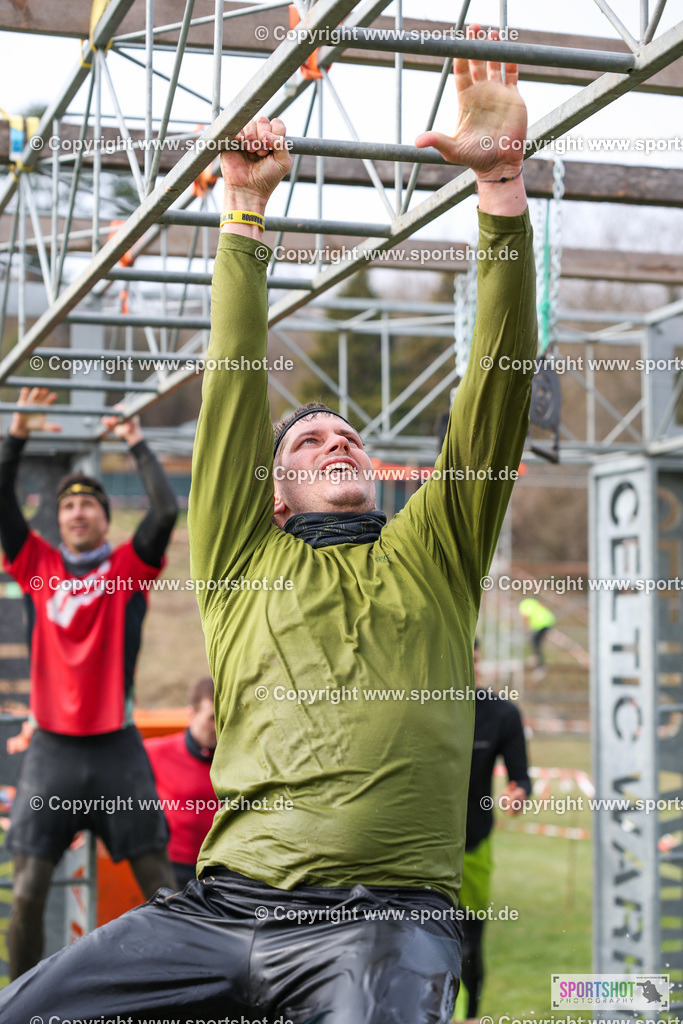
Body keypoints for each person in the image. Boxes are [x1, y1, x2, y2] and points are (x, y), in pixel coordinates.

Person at [0, 32, 537, 1022]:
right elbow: (231, 393)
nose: (338, 439)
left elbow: (493, 399)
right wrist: (243, 214)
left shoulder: (433, 551)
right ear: (273, 489)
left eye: (351, 436)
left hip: (378, 919)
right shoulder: (241, 556)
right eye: (311, 438)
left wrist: (499, 191)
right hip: (219, 911)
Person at [0, 389, 178, 978]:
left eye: (89, 504)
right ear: (59, 518)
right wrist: (18, 432)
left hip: (116, 749)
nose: (78, 511)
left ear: (104, 516)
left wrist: (134, 439)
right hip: (51, 750)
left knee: (164, 890)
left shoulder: (127, 568)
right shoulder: (36, 564)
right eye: (68, 505)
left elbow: (165, 511)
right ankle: (19, 1002)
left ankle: (181, 997)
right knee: (25, 893)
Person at [455, 641, 531, 1019]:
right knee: (416, 943)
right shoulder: (415, 707)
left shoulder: (501, 713)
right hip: (415, 851)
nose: (469, 667)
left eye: (474, 659)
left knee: (469, 946)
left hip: (473, 845)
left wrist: (517, 795)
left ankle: (473, 1015)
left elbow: (521, 779)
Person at [144, 676, 217, 888]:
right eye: (211, 718)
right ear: (191, 714)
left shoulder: (241, 757)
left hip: (225, 870)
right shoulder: (155, 752)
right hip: (173, 870)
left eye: (224, 717)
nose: (218, 726)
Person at [519, 597, 556, 671]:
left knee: (536, 644)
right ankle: (535, 659)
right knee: (536, 643)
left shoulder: (523, 605)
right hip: (549, 620)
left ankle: (539, 665)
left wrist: (525, 629)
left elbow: (526, 617)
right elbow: (543, 605)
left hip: (541, 624)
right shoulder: (532, 601)